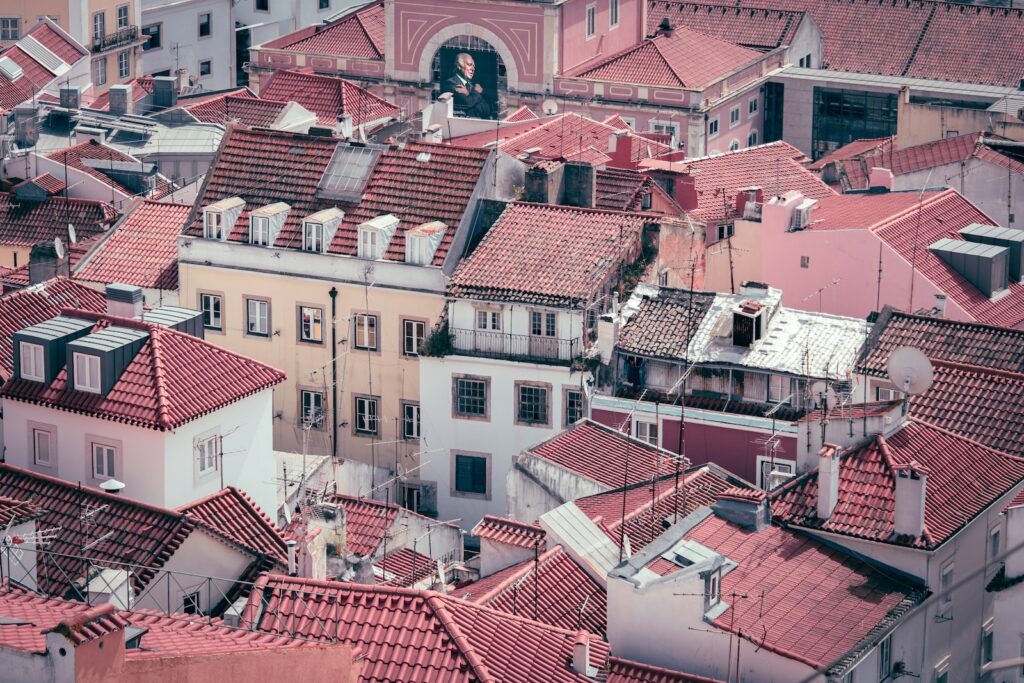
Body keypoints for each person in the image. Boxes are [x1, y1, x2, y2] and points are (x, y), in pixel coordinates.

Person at [442, 52, 492, 119]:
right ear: (459, 66)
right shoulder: (451, 83)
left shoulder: (471, 85)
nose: (473, 69)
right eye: (469, 65)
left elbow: (486, 109)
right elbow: (468, 103)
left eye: (474, 66)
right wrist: (476, 91)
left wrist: (468, 94)